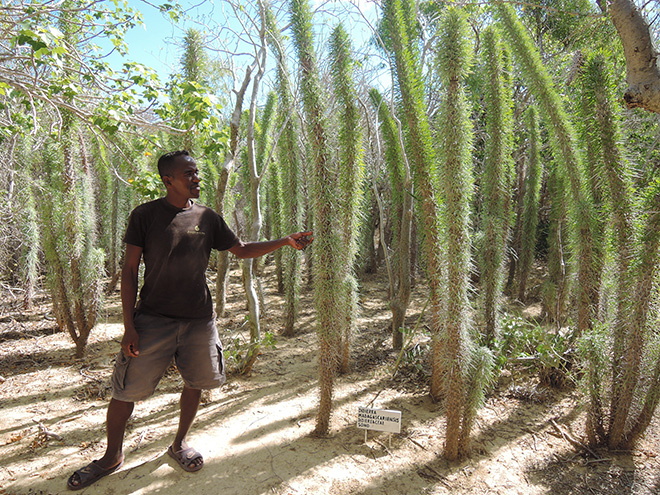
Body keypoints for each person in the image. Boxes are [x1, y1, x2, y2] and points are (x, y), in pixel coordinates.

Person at [67, 150, 312, 490]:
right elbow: (129, 270)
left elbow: (240, 249)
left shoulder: (207, 217)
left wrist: (284, 242)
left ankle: (179, 443)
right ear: (168, 180)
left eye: (197, 173)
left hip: (199, 320)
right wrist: (129, 326)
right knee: (125, 391)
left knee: (195, 382)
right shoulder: (146, 215)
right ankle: (111, 457)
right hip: (153, 319)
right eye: (189, 174)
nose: (197, 178)